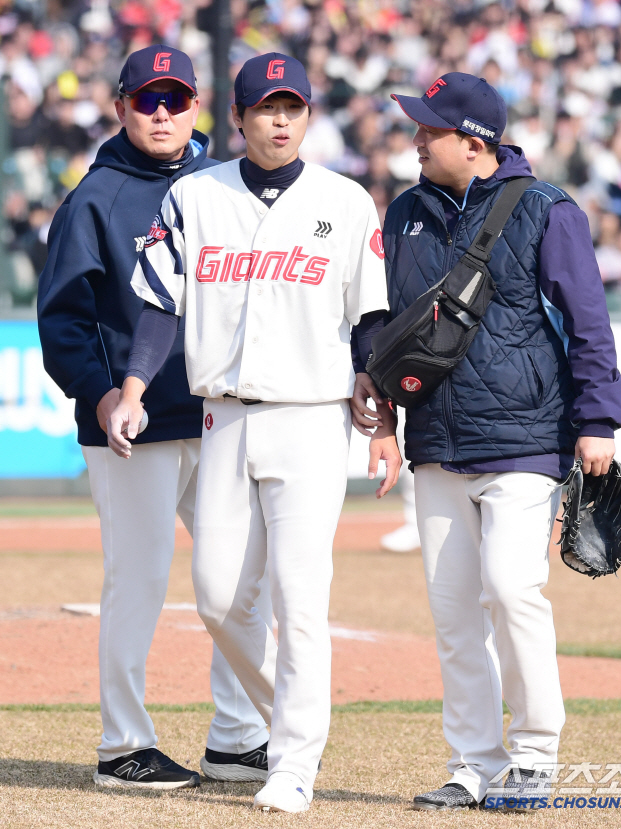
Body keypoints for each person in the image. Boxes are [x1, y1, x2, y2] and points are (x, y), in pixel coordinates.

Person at [106, 52, 401, 812]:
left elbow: (369, 317)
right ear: (234, 118)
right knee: (214, 596)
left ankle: (294, 761)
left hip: (311, 417)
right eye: (265, 107)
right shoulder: (195, 195)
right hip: (224, 416)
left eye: (293, 107)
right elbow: (159, 305)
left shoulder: (347, 201)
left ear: (307, 116)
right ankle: (291, 717)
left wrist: (382, 413)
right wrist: (133, 388)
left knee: (300, 598)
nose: (279, 120)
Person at [353, 73, 621, 811]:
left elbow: (588, 320)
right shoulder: (404, 211)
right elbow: (385, 316)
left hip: (526, 435)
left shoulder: (545, 208)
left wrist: (598, 419)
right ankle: (473, 760)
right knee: (452, 611)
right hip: (436, 437)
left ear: (472, 143)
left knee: (511, 589)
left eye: (428, 130)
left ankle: (535, 754)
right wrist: (369, 375)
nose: (414, 140)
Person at [38, 45, 271, 790]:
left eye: (174, 99)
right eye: (147, 100)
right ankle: (121, 744)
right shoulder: (94, 199)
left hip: (213, 413)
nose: (162, 112)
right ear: (122, 108)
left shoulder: (222, 187)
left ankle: (237, 736)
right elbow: (64, 319)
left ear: (198, 106)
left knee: (238, 580)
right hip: (129, 427)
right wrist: (102, 394)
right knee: (136, 581)